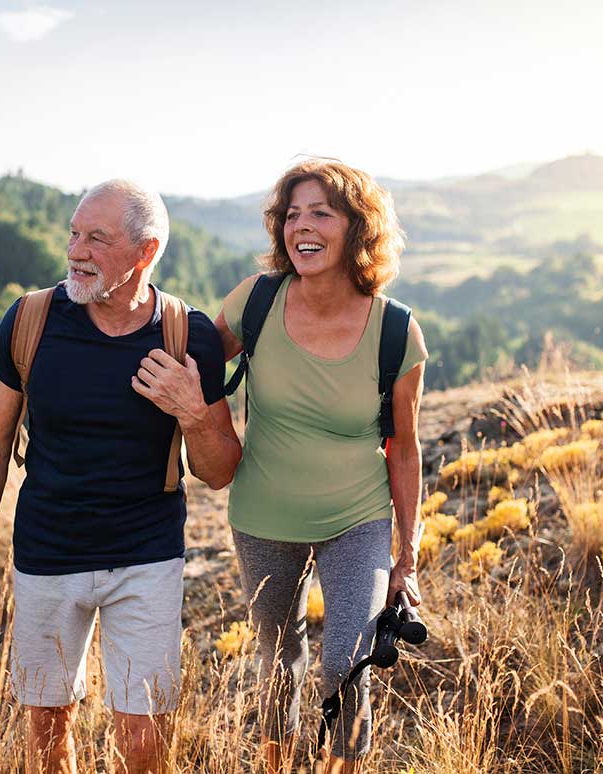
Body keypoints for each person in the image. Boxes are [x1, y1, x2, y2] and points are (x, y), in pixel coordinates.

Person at [0, 179, 241, 774]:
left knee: (143, 744)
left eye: (96, 238)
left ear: (146, 251)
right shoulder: (30, 319)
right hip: (45, 556)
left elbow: (219, 472)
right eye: (73, 233)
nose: (75, 251)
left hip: (146, 557)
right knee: (46, 736)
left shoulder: (187, 336)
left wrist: (192, 411)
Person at [165, 159, 427, 773]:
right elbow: (192, 363)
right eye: (291, 214)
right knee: (278, 661)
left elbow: (406, 447)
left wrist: (406, 557)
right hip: (262, 515)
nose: (300, 227)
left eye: (321, 213)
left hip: (356, 518)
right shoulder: (256, 301)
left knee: (345, 661)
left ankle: (342, 766)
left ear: (357, 229)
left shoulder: (395, 330)